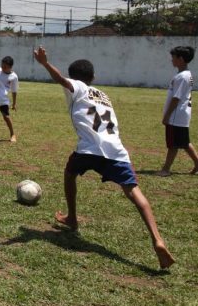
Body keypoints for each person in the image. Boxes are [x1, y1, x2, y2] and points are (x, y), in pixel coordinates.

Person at [33, 46, 174, 269]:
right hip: (116, 150)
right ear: (94, 77)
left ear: (76, 77)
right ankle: (157, 238)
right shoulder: (104, 95)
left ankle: (72, 218)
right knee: (134, 192)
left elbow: (62, 80)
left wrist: (44, 63)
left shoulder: (77, 86)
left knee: (70, 174)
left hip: (90, 148)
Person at [156, 45, 198, 176]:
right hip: (182, 116)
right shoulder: (186, 75)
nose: (171, 60)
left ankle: (166, 169)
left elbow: (176, 98)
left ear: (181, 59)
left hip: (176, 116)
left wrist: (167, 116)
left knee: (173, 144)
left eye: (173, 57)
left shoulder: (181, 77)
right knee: (184, 143)